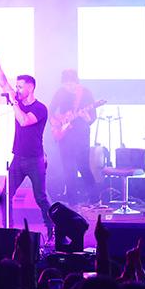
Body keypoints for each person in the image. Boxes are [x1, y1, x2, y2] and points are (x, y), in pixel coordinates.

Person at [0, 43, 54, 241]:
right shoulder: (17, 99)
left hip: (35, 159)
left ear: (30, 87)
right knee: (5, 195)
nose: (16, 89)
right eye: (16, 86)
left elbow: (24, 121)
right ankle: (8, 230)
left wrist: (14, 102)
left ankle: (52, 230)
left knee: (41, 198)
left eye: (20, 86)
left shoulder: (40, 108)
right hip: (18, 158)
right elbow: (2, 81)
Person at [50, 69, 98, 205]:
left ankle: (95, 199)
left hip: (81, 134)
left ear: (76, 82)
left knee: (84, 167)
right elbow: (50, 110)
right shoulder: (60, 92)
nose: (69, 87)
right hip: (65, 135)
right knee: (68, 169)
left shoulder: (86, 93)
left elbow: (92, 117)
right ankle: (72, 201)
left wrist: (86, 117)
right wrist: (56, 122)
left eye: (71, 84)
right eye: (66, 84)